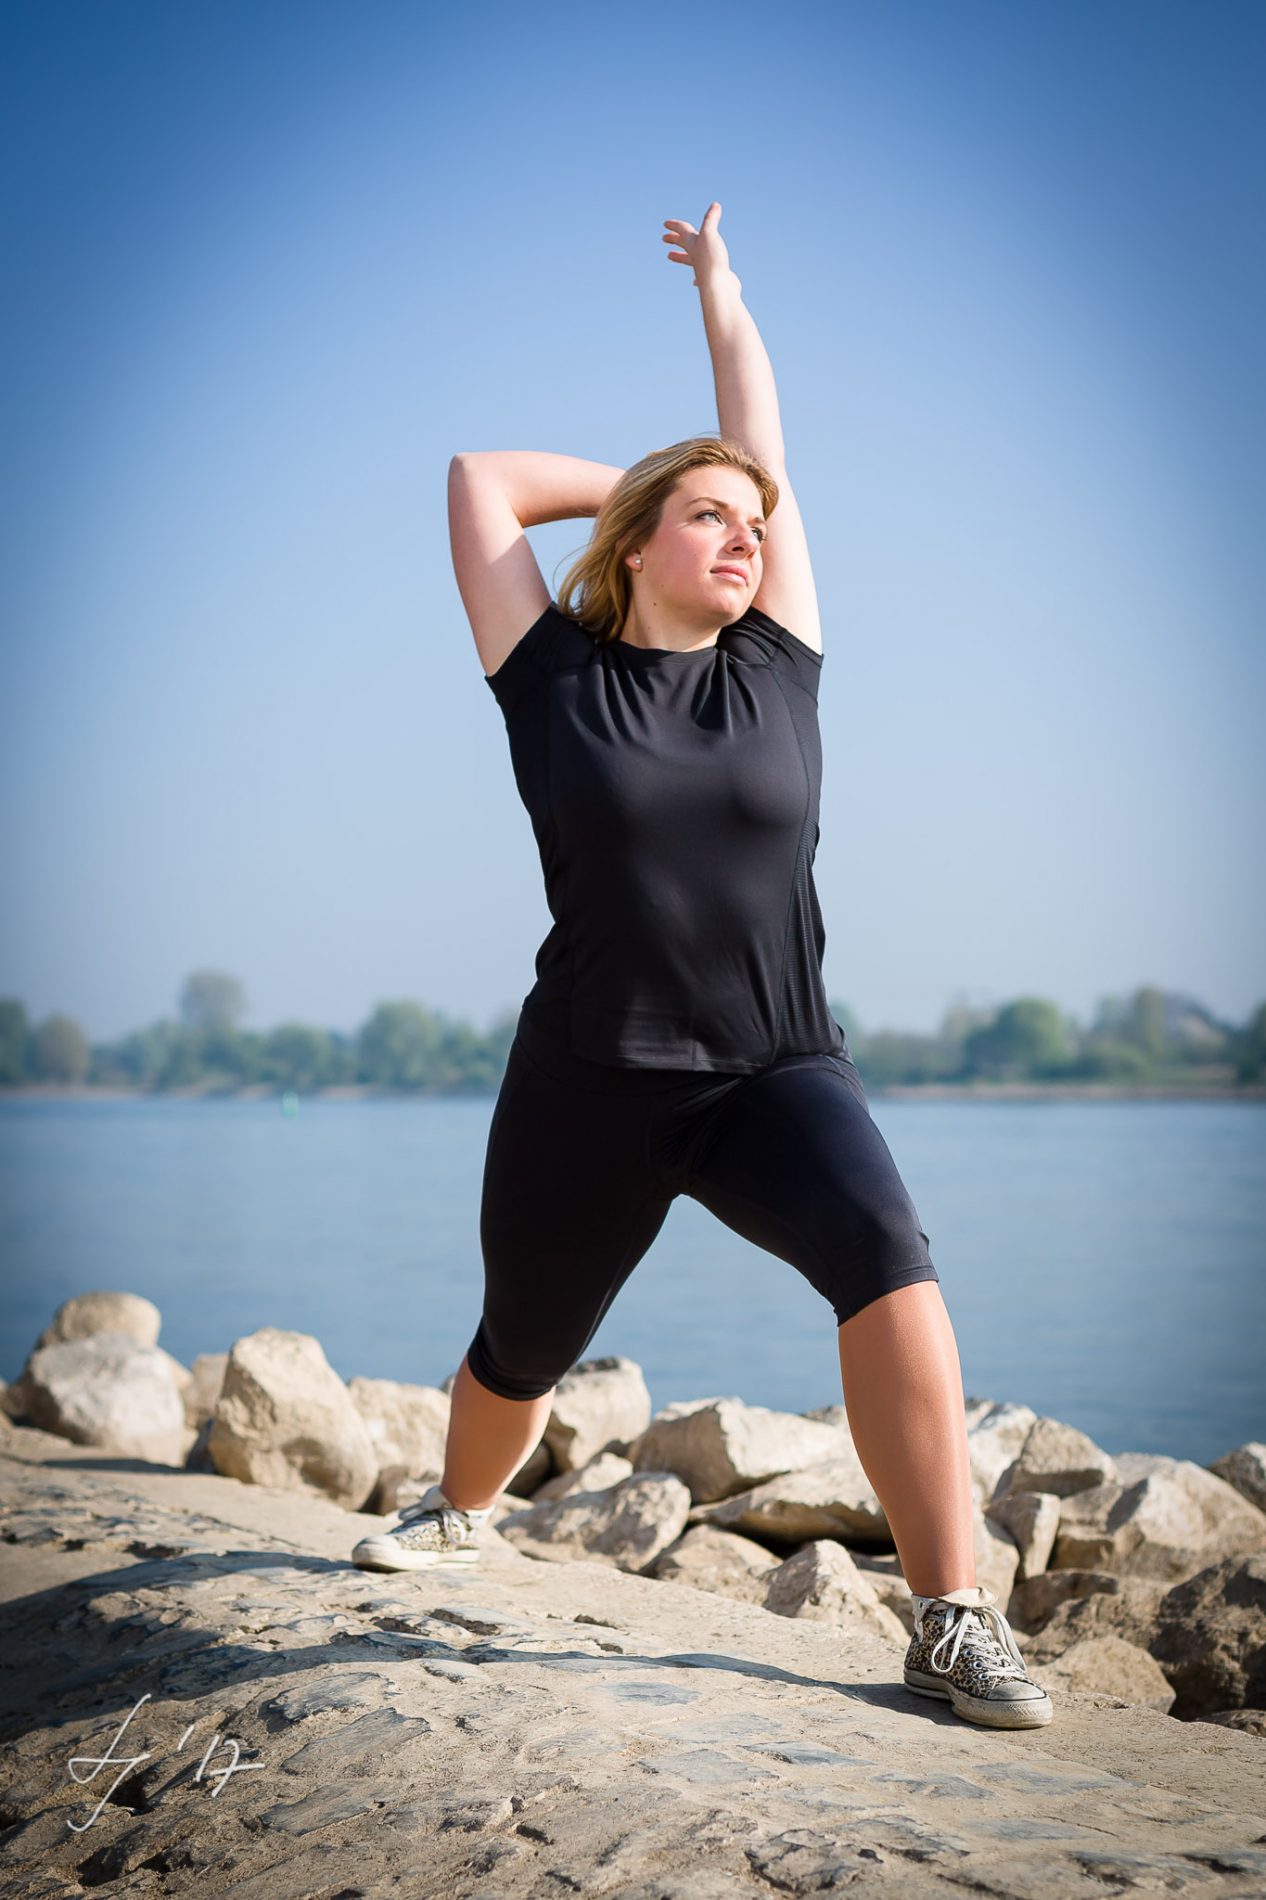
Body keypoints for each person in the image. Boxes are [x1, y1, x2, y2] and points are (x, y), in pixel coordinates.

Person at [352, 204, 1053, 1732]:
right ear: (640, 538)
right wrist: (660, 476)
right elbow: (480, 480)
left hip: (771, 1066)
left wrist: (723, 305)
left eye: (758, 519)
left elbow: (760, 429)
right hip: (587, 1076)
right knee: (520, 1344)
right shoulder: (551, 675)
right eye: (710, 518)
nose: (746, 533)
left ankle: (949, 1617)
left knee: (891, 1262)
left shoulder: (778, 658)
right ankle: (457, 1512)